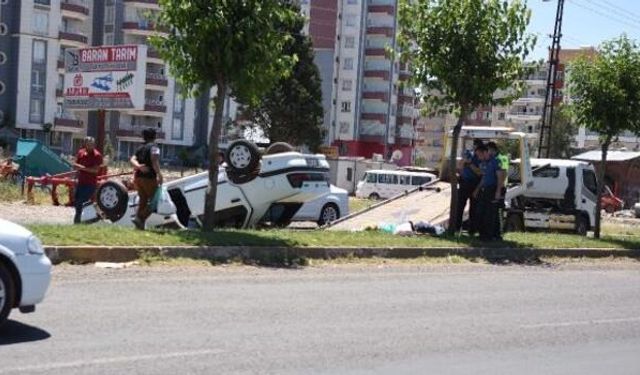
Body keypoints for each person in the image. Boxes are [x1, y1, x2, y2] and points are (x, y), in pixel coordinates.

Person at [130, 128, 163, 230]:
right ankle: (140, 218)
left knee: (143, 201)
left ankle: (139, 226)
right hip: (149, 177)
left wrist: (139, 167)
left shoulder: (140, 148)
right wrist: (159, 174)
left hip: (138, 178)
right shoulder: (155, 147)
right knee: (154, 202)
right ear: (154, 136)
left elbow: (132, 159)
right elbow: (154, 160)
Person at [474, 143, 505, 241]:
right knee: (481, 212)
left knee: (490, 214)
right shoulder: (484, 163)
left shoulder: (495, 162)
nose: (479, 158)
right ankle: (483, 233)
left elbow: (500, 177)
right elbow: (484, 177)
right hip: (485, 190)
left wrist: (498, 191)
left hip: (493, 189)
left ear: (485, 152)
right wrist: (477, 189)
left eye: (479, 155)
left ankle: (491, 235)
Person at [455, 139, 483, 233]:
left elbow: (479, 172)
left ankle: (472, 230)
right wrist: (464, 161)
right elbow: (459, 167)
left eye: (477, 146)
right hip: (464, 182)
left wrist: (470, 163)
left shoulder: (480, 158)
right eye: (474, 145)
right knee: (459, 206)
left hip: (475, 183)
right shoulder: (468, 154)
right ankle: (456, 228)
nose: (474, 148)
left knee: (473, 208)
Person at [73, 137, 103, 224]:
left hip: (90, 184)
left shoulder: (97, 155)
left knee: (81, 201)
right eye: (89, 144)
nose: (91, 146)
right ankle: (78, 220)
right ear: (85, 144)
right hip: (80, 182)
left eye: (92, 144)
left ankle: (79, 220)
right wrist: (75, 177)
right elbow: (75, 164)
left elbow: (95, 170)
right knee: (76, 201)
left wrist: (82, 168)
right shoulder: (81, 152)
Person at [487, 142, 508, 240]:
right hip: (497, 187)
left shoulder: (500, 159)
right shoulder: (493, 159)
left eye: (488, 150)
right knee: (493, 212)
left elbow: (502, 174)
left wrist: (499, 190)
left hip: (500, 187)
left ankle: (499, 234)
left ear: (492, 149)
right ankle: (494, 233)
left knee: (498, 211)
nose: (488, 152)